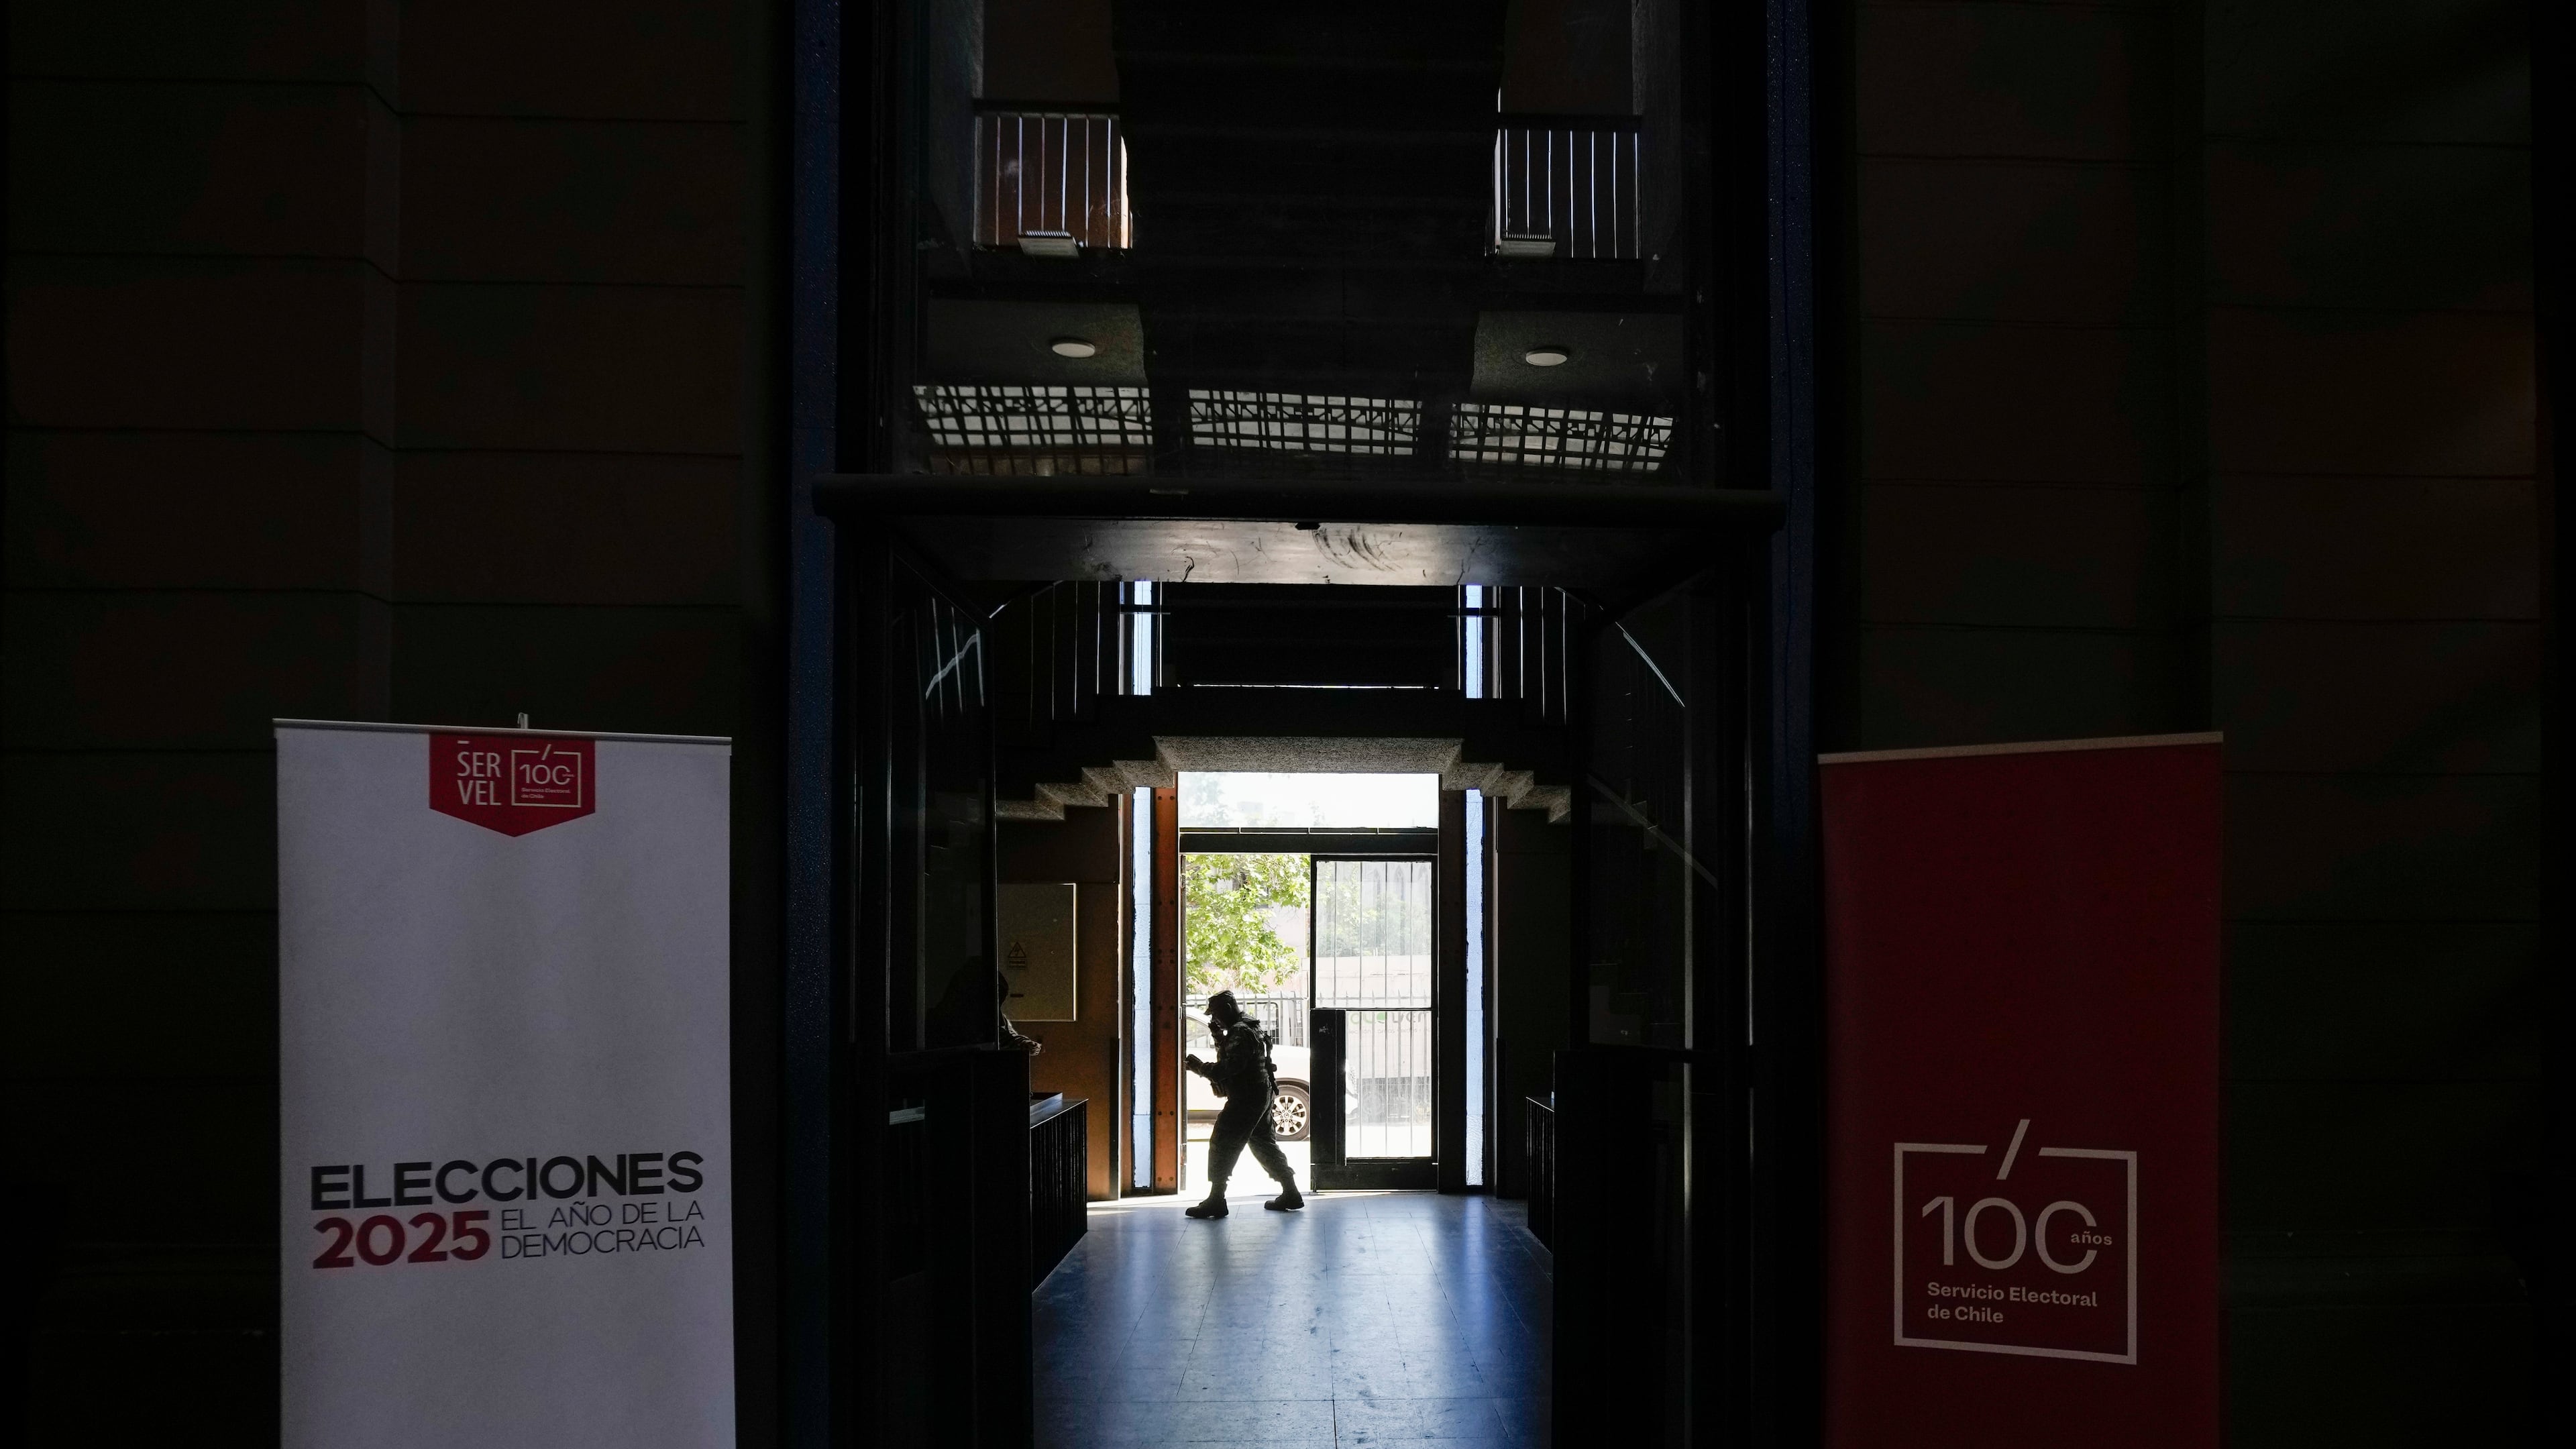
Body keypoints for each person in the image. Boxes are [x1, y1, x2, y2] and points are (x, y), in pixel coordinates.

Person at [1181, 990, 1302, 1218]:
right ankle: (1291, 1192)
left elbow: (1227, 1069)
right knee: (1264, 1144)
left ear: (1227, 1008)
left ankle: (1216, 1198)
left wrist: (1197, 1067)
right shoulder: (1248, 1025)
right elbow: (1229, 1057)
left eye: (1216, 1014)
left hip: (1246, 1098)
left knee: (1222, 1142)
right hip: (1260, 1094)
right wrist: (1218, 1037)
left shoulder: (1239, 1032)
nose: (1214, 1019)